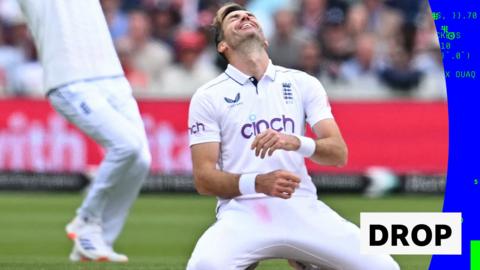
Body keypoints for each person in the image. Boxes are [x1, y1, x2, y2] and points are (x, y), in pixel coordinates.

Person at [186, 3, 400, 269]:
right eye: (233, 18)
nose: (244, 16)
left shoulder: (302, 83)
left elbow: (338, 153)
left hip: (301, 206)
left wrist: (296, 141)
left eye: (248, 14)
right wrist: (259, 183)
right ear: (222, 46)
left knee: (384, 266)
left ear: (264, 38)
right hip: (243, 211)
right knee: (204, 266)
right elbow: (204, 179)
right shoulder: (208, 96)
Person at [17, 0, 151, 262]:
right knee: (127, 146)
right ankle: (86, 220)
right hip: (70, 80)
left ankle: (97, 242)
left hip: (111, 76)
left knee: (141, 160)